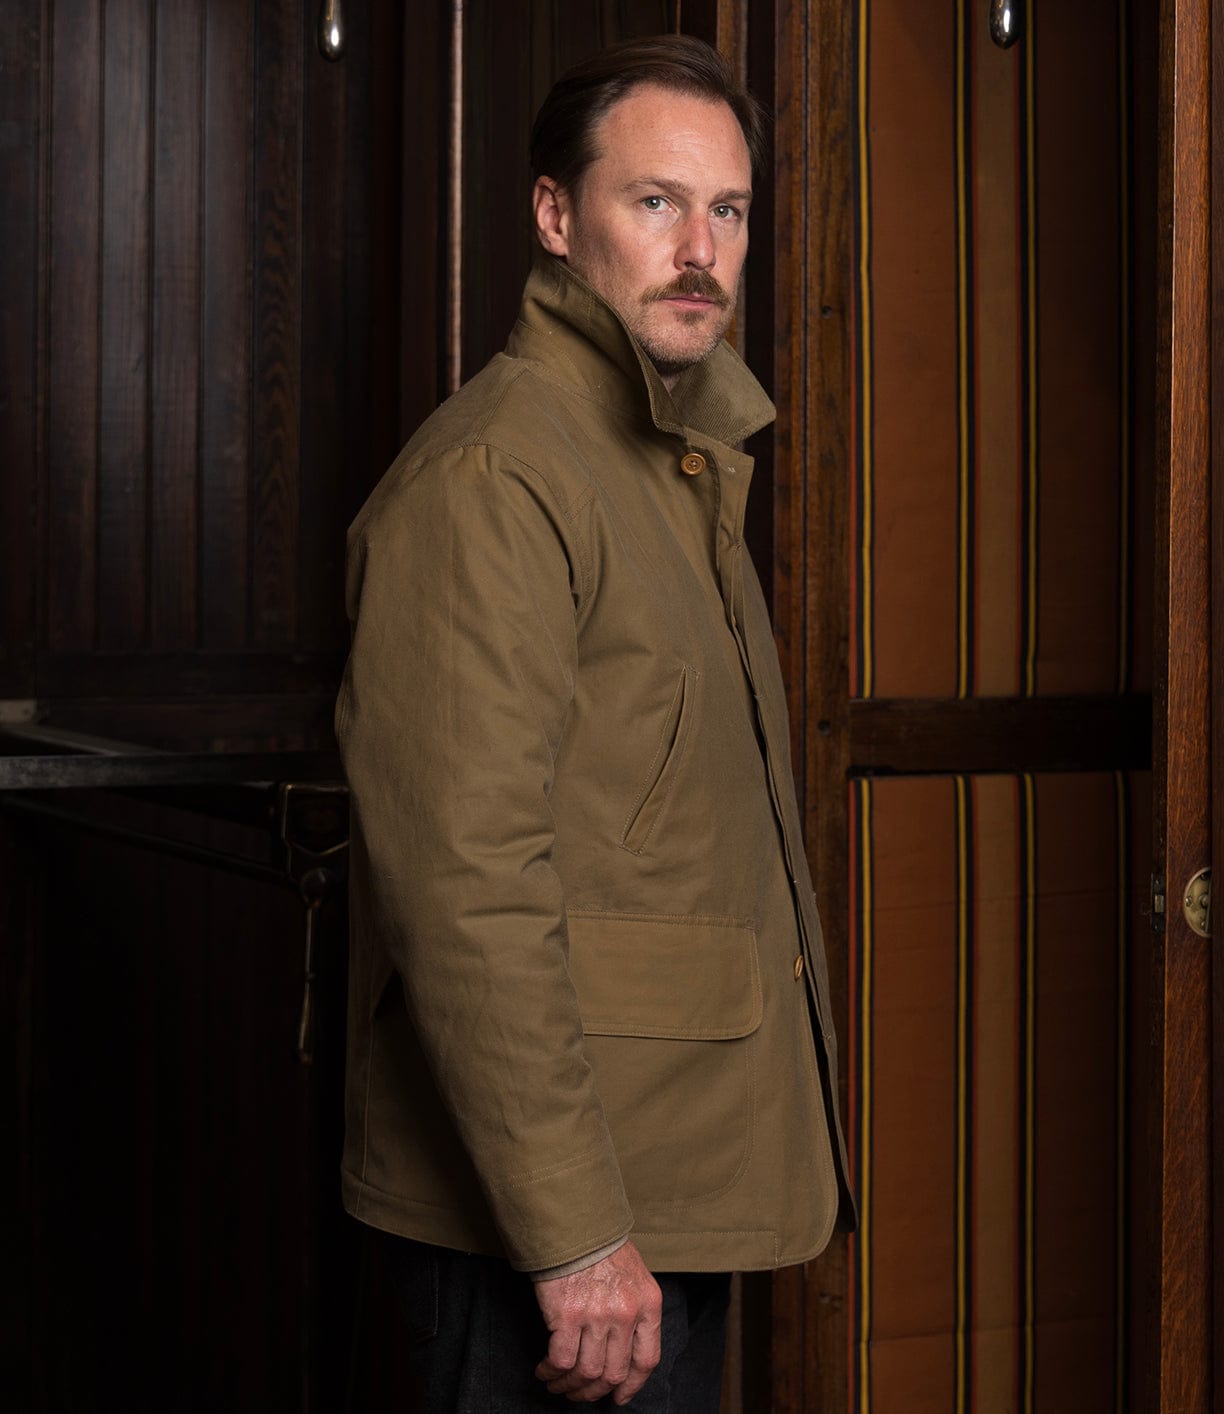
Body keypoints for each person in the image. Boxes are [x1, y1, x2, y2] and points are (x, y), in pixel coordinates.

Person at [336, 34, 854, 1411]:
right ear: (557, 217)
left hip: (664, 1201)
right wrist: (574, 1235)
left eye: (728, 210)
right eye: (655, 203)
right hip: (565, 1239)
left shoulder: (678, 462)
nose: (702, 249)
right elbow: (466, 890)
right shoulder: (497, 478)